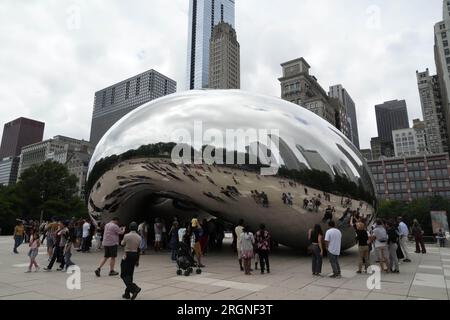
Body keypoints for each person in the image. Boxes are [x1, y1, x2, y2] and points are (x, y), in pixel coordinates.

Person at [120, 222, 142, 300]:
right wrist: (137, 260)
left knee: (123, 274)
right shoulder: (139, 237)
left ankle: (135, 288)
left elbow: (122, 244)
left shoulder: (126, 236)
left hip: (127, 255)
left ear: (129, 227)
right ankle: (127, 294)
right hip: (135, 255)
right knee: (130, 274)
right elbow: (139, 250)